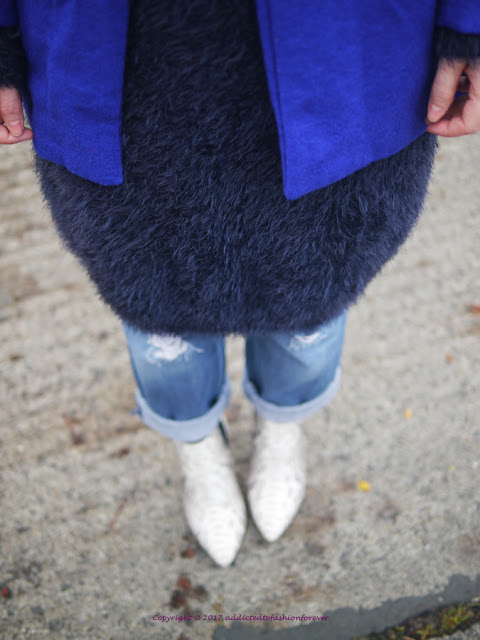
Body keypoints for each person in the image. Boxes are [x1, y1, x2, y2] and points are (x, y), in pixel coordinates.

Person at [1, 0, 479, 568]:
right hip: (124, 56)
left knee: (312, 296)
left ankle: (282, 420)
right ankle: (195, 439)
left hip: (340, 45)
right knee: (158, 313)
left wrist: (470, 22)